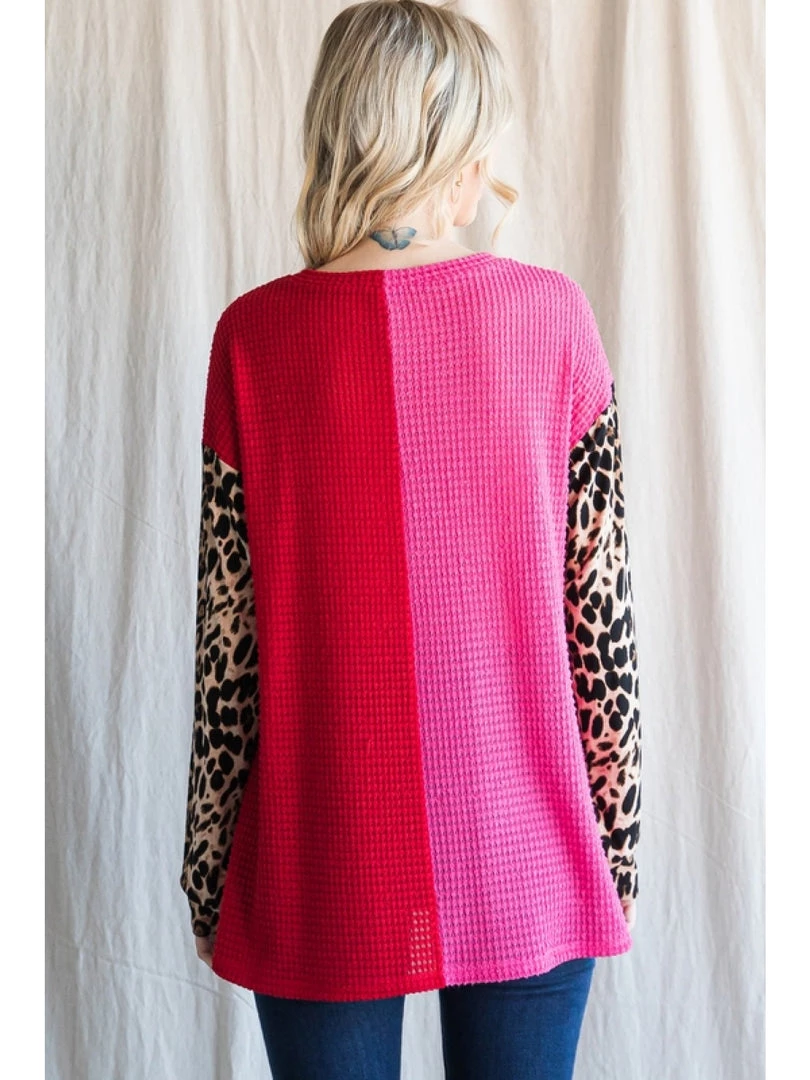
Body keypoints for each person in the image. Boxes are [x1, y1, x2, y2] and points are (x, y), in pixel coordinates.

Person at [179, 2, 641, 1077]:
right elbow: (602, 629)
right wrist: (615, 854)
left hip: (321, 848)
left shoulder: (253, 339)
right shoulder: (553, 322)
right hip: (527, 843)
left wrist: (208, 875)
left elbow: (226, 650)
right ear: (462, 158)